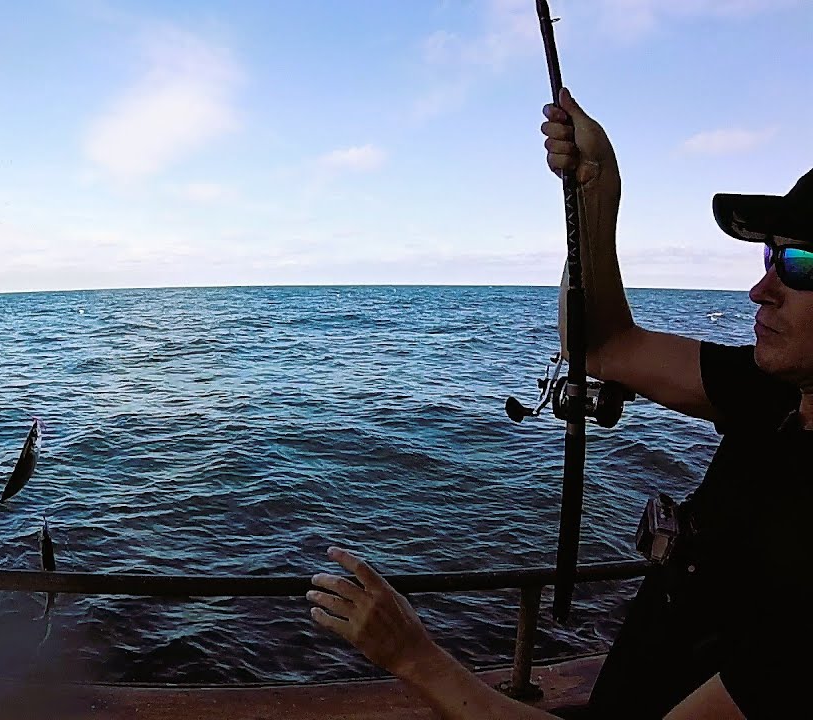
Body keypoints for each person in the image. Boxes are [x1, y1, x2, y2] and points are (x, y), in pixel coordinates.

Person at [308, 86, 813, 719]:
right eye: (770, 254)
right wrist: (596, 189)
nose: (760, 288)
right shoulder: (775, 393)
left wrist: (412, 656)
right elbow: (601, 346)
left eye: (800, 263)